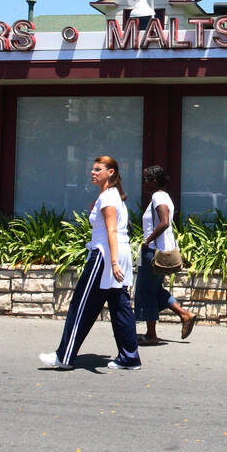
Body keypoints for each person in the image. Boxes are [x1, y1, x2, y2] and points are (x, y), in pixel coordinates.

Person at [40, 155, 141, 371]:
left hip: (105, 256)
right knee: (120, 306)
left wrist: (113, 263)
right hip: (116, 254)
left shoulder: (108, 198)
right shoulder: (112, 196)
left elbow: (112, 231)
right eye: (92, 169)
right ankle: (129, 357)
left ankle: (64, 357)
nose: (93, 172)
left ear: (110, 172)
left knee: (82, 305)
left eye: (98, 169)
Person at [135, 166, 197, 343]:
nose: (144, 183)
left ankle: (151, 334)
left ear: (154, 180)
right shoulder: (164, 196)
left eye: (146, 179)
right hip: (159, 250)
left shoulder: (158, 196)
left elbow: (164, 223)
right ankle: (184, 315)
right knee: (154, 290)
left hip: (153, 251)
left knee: (145, 290)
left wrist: (147, 241)